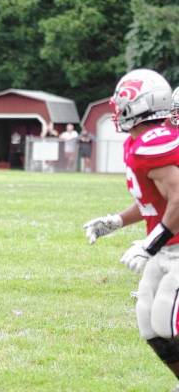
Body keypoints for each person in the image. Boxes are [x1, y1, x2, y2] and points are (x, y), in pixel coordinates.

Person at [83, 68, 179, 386]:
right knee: (149, 326)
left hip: (174, 247)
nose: (116, 108)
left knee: (168, 321)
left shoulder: (157, 145)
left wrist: (149, 244)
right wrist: (116, 221)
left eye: (122, 101)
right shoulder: (137, 145)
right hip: (165, 244)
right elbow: (154, 202)